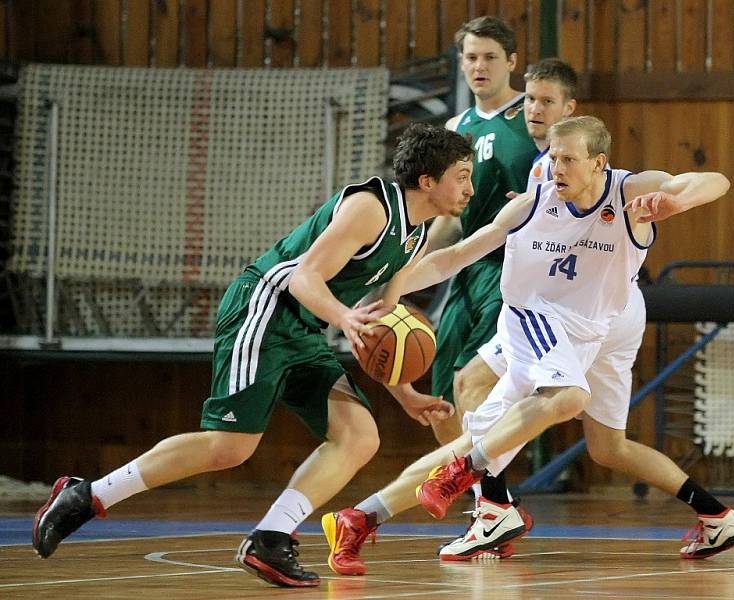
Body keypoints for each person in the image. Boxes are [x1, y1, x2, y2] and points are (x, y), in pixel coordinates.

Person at [30, 123, 471, 588]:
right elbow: (303, 278)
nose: (469, 188)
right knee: (228, 448)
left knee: (359, 436)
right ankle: (86, 496)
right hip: (263, 307)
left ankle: (270, 538)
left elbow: (383, 327)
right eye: (461, 176)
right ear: (427, 181)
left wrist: (404, 393)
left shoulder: (415, 236)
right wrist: (342, 317)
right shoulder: (371, 208)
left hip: (303, 326)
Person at [321, 115, 734, 575]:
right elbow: (454, 257)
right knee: (567, 397)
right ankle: (471, 483)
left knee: (495, 440)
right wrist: (389, 286)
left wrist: (671, 202)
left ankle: (360, 518)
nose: (555, 167)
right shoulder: (531, 203)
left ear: (599, 163)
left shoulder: (628, 194)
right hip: (533, 319)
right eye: (551, 156)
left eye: (568, 159)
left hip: (588, 334)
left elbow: (714, 180)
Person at [390, 17, 559, 560]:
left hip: (515, 267)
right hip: (466, 266)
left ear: (511, 61)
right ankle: (490, 503)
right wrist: (414, 261)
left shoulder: (532, 118)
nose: (479, 67)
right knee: (442, 394)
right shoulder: (460, 127)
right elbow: (452, 217)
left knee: (474, 385)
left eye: (489, 56)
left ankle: (494, 506)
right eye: (470, 58)